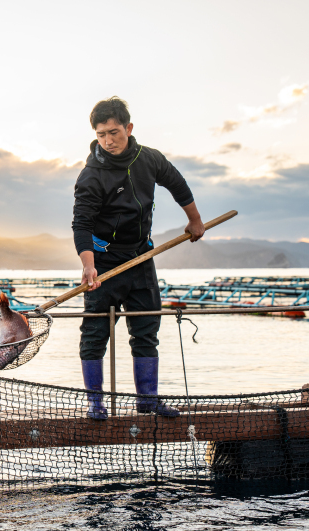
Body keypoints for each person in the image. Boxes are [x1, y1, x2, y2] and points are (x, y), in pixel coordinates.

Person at [72, 97, 204, 420]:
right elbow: (82, 224)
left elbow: (177, 183)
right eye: (101, 134)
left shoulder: (150, 159)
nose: (108, 140)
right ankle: (95, 403)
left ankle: (147, 400)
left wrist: (195, 220)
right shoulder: (91, 176)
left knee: (146, 329)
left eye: (114, 132)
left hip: (141, 256)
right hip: (104, 262)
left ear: (129, 128)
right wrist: (88, 266)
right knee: (94, 333)